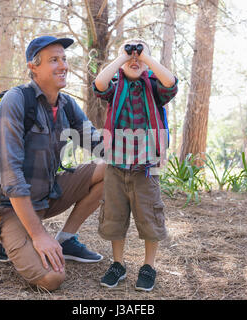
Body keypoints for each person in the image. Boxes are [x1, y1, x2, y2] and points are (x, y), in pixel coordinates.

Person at [0, 36, 106, 291]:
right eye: (54, 60)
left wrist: (137, 152)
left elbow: (97, 143)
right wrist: (39, 235)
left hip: (47, 194)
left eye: (64, 59)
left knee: (112, 169)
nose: (63, 65)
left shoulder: (66, 104)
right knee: (52, 279)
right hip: (9, 207)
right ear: (33, 67)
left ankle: (67, 238)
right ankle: (7, 235)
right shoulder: (16, 101)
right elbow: (10, 175)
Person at [93, 39, 178, 292]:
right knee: (114, 216)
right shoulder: (115, 86)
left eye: (140, 56)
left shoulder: (154, 86)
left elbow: (170, 82)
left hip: (147, 166)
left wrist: (146, 59)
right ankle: (118, 264)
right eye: (129, 55)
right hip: (117, 165)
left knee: (149, 216)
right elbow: (99, 83)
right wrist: (122, 57)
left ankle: (148, 266)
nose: (134, 59)